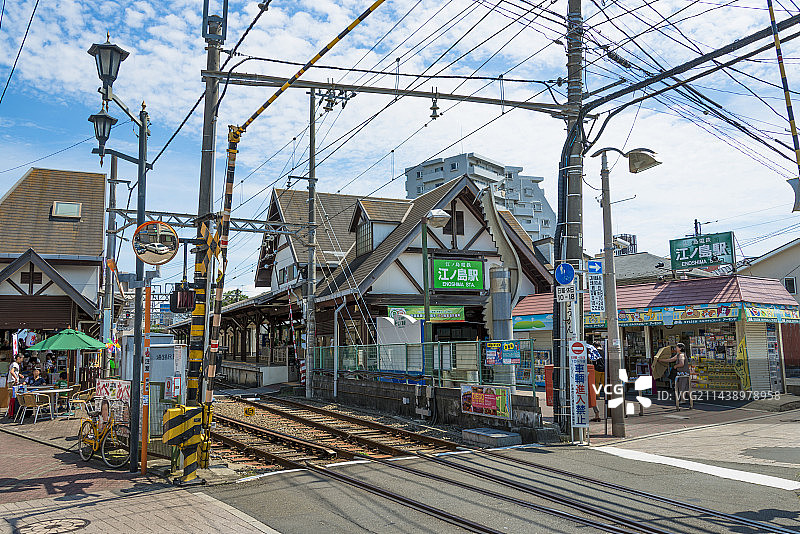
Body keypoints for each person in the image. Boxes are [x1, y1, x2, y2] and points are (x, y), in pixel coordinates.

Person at [663, 342, 693, 410]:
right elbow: (671, 360)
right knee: (685, 387)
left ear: (681, 348)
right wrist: (660, 360)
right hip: (682, 373)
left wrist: (676, 366)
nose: (676, 348)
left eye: (677, 347)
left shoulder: (681, 355)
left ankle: (683, 400)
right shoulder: (678, 354)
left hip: (683, 373)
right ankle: (691, 398)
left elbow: (681, 364)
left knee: (683, 386)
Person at [587, 342, 605, 422]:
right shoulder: (604, 352)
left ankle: (597, 395)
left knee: (596, 383)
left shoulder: (594, 352)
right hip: (604, 370)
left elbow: (593, 360)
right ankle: (607, 395)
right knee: (604, 384)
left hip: (596, 369)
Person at [6, 354, 23, 418]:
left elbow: (14, 372)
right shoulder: (15, 364)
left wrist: (19, 375)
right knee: (13, 398)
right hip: (12, 382)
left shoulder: (14, 364)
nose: (22, 360)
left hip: (11, 382)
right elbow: (12, 371)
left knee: (12, 398)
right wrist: (16, 378)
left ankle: (11, 413)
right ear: (18, 358)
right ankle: (11, 413)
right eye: (21, 358)